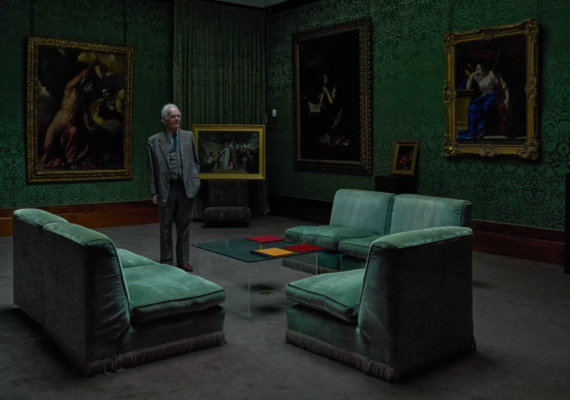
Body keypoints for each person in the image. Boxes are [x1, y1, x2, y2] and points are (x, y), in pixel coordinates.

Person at [147, 104, 201, 273]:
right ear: (164, 120)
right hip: (166, 189)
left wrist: (195, 180)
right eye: (173, 116)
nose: (177, 119)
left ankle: (183, 260)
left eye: (178, 115)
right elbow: (151, 169)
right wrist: (153, 191)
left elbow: (196, 161)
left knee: (184, 226)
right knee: (165, 227)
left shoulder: (188, 136)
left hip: (186, 189)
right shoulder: (154, 141)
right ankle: (166, 261)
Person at [42, 58, 100, 169]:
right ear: (84, 82)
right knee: (47, 145)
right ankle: (47, 155)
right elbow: (83, 74)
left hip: (70, 124)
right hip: (58, 121)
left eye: (92, 86)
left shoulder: (83, 97)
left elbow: (84, 113)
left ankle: (71, 160)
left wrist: (87, 125)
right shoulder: (70, 88)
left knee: (74, 131)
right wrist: (93, 63)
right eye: (89, 85)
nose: (91, 88)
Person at [458, 60, 511, 141]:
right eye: (478, 69)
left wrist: (507, 99)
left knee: (485, 107)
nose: (480, 70)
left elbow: (504, 86)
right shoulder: (478, 78)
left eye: (481, 67)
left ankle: (482, 129)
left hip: (492, 96)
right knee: (471, 108)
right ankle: (478, 130)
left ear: (485, 68)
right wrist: (473, 74)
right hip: (481, 98)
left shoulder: (491, 75)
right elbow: (468, 87)